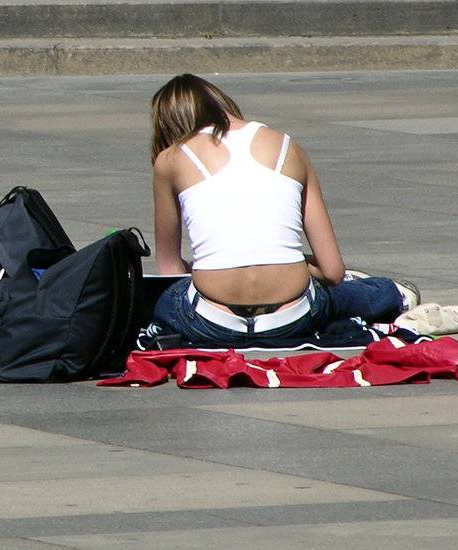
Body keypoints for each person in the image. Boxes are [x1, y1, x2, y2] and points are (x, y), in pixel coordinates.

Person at [147, 73, 408, 348]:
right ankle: (392, 294)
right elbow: (332, 271)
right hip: (292, 318)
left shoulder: (171, 159)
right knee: (335, 293)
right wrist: (288, 261)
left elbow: (169, 270)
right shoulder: (287, 145)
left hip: (211, 324)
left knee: (165, 298)